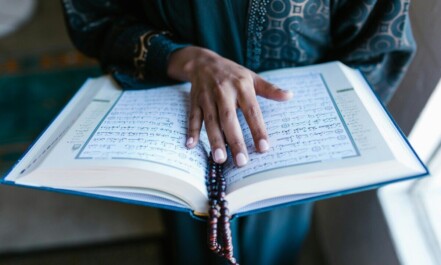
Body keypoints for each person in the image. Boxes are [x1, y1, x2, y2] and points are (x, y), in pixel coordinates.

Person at [61, 0, 415, 264]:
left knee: (274, 242)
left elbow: (378, 47)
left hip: (288, 142)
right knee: (189, 230)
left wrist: (314, 127)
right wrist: (181, 58)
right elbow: (94, 16)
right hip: (176, 119)